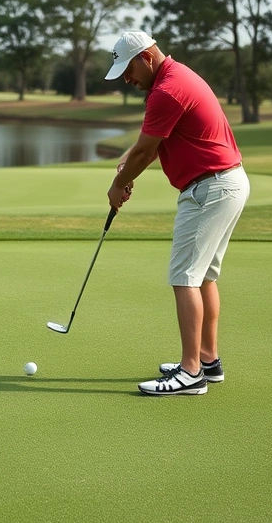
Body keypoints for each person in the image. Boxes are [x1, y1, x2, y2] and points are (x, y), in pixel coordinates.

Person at [104, 31, 250, 396]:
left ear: (147, 58)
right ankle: (207, 361)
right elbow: (150, 145)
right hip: (227, 183)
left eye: (129, 69)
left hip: (208, 189)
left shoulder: (166, 90)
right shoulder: (176, 77)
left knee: (184, 277)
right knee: (203, 277)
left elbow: (144, 153)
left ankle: (190, 374)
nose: (126, 78)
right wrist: (131, 161)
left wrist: (118, 184)